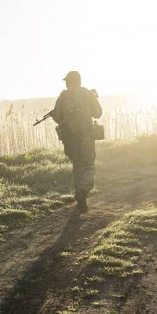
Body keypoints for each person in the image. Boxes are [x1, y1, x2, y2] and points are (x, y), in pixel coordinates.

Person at [51, 70, 103, 212]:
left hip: (70, 138)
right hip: (86, 136)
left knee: (77, 166)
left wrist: (54, 114)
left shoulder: (62, 96)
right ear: (79, 81)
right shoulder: (87, 94)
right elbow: (98, 113)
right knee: (88, 166)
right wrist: (93, 98)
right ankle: (83, 191)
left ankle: (80, 197)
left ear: (68, 82)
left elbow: (58, 117)